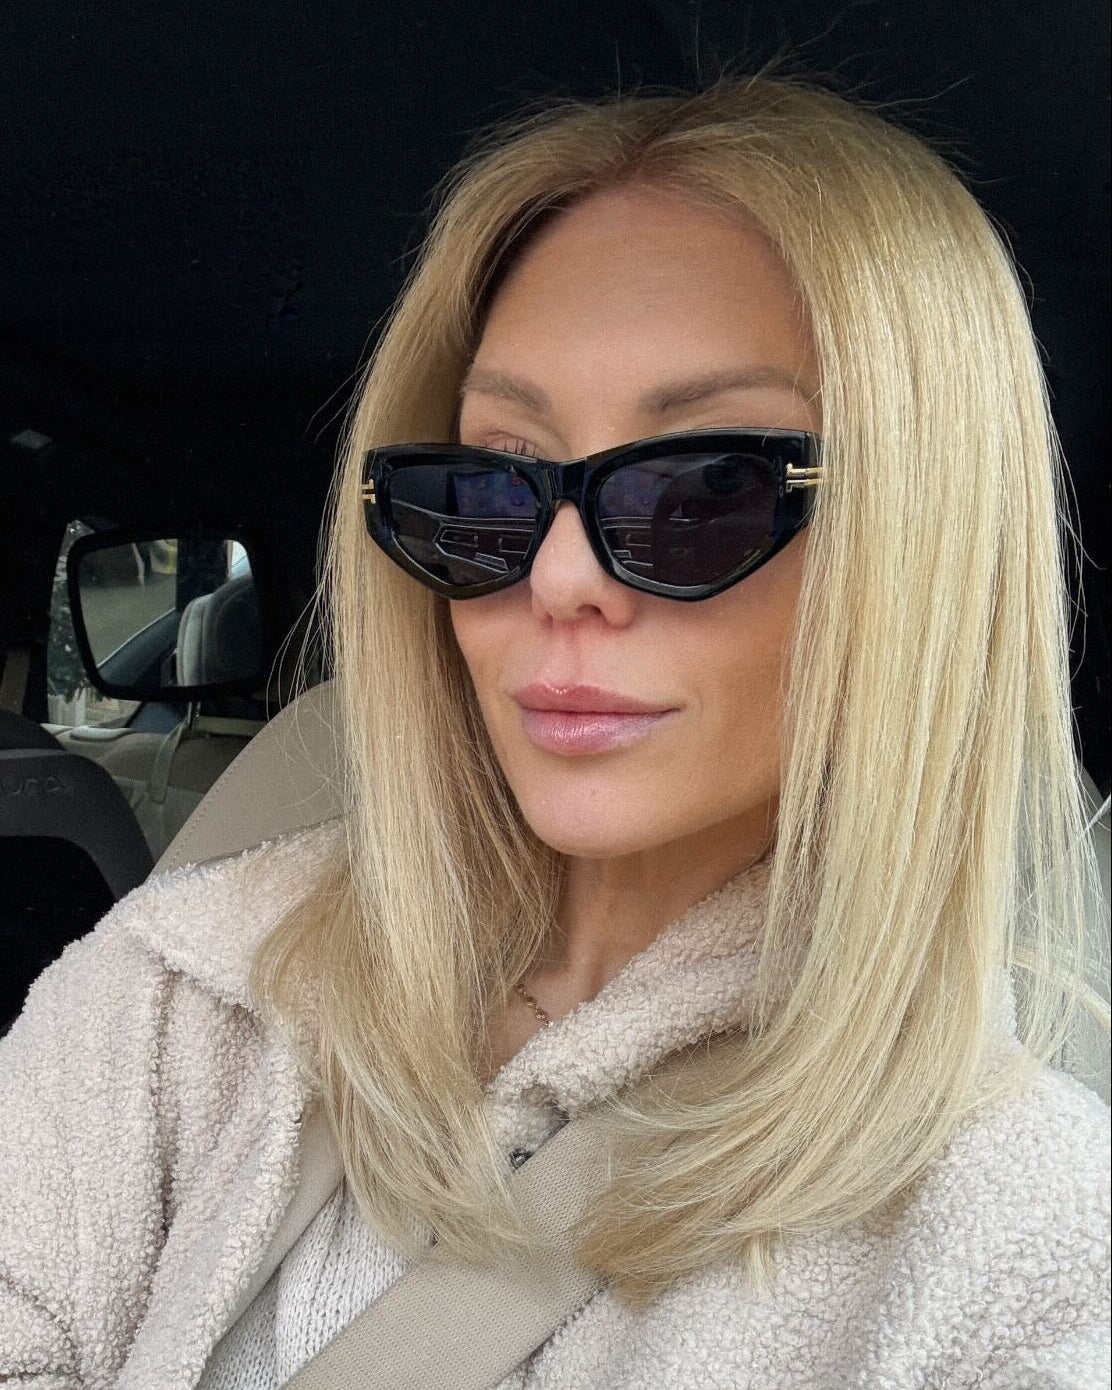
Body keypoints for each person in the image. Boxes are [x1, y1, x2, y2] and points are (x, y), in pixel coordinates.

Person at [1, 73, 1109, 1390]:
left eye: (705, 488)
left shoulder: (1020, 1240)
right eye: (487, 487)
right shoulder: (184, 991)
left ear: (920, 545)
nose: (558, 574)